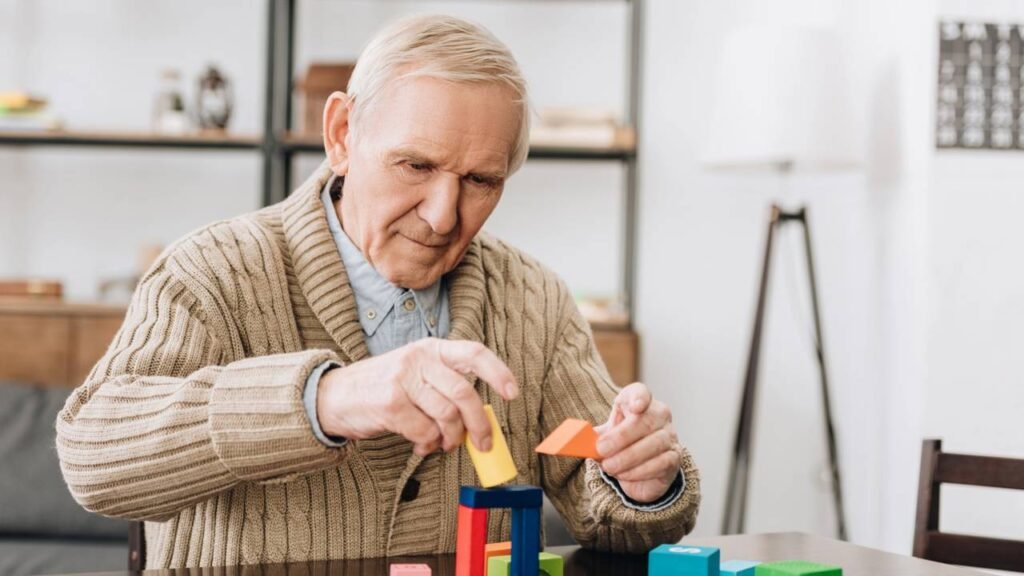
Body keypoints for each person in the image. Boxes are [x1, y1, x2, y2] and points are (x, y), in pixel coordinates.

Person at [56, 14, 700, 568]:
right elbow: (92, 457)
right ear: (341, 134)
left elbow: (606, 510)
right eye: (416, 165)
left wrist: (644, 483)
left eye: (480, 180)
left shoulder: (534, 298)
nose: (444, 215)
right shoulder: (210, 271)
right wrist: (325, 399)